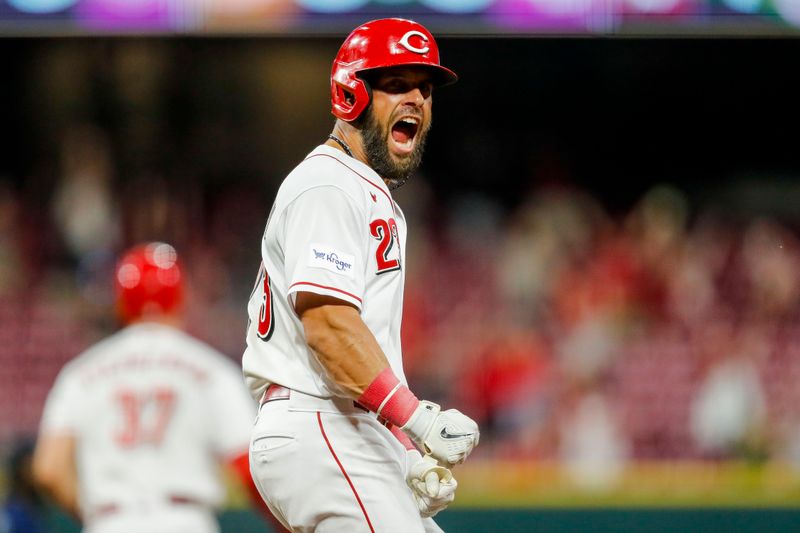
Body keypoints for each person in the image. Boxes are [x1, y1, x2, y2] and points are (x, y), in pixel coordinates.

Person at [242, 18, 480, 532]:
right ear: (351, 93)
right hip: (319, 420)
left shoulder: (360, 189)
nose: (416, 98)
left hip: (346, 425)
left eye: (425, 88)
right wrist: (418, 421)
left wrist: (404, 448)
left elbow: (353, 360)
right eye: (396, 84)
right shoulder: (328, 183)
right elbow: (328, 326)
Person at [31, 242, 269, 533]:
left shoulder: (79, 374)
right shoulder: (211, 370)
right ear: (180, 298)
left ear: (120, 303)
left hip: (111, 521)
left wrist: (90, 513)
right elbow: (249, 467)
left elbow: (48, 468)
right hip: (184, 520)